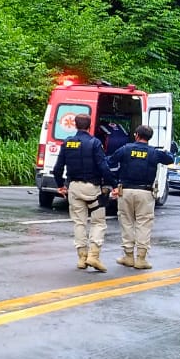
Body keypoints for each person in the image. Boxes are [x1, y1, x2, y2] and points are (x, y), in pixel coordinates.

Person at [52, 113, 116, 272]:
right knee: (98, 222)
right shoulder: (95, 143)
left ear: (75, 125)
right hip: (92, 188)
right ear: (90, 125)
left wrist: (60, 185)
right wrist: (113, 184)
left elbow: (57, 168)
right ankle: (93, 256)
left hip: (73, 187)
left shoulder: (67, 143)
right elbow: (103, 167)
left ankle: (81, 258)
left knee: (79, 223)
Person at [107, 124, 174, 269]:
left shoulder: (125, 149)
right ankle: (141, 259)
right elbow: (170, 160)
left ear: (136, 134)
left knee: (127, 222)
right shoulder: (154, 153)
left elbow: (110, 161)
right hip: (145, 192)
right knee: (144, 224)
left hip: (125, 191)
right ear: (150, 138)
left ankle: (128, 256)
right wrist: (169, 151)